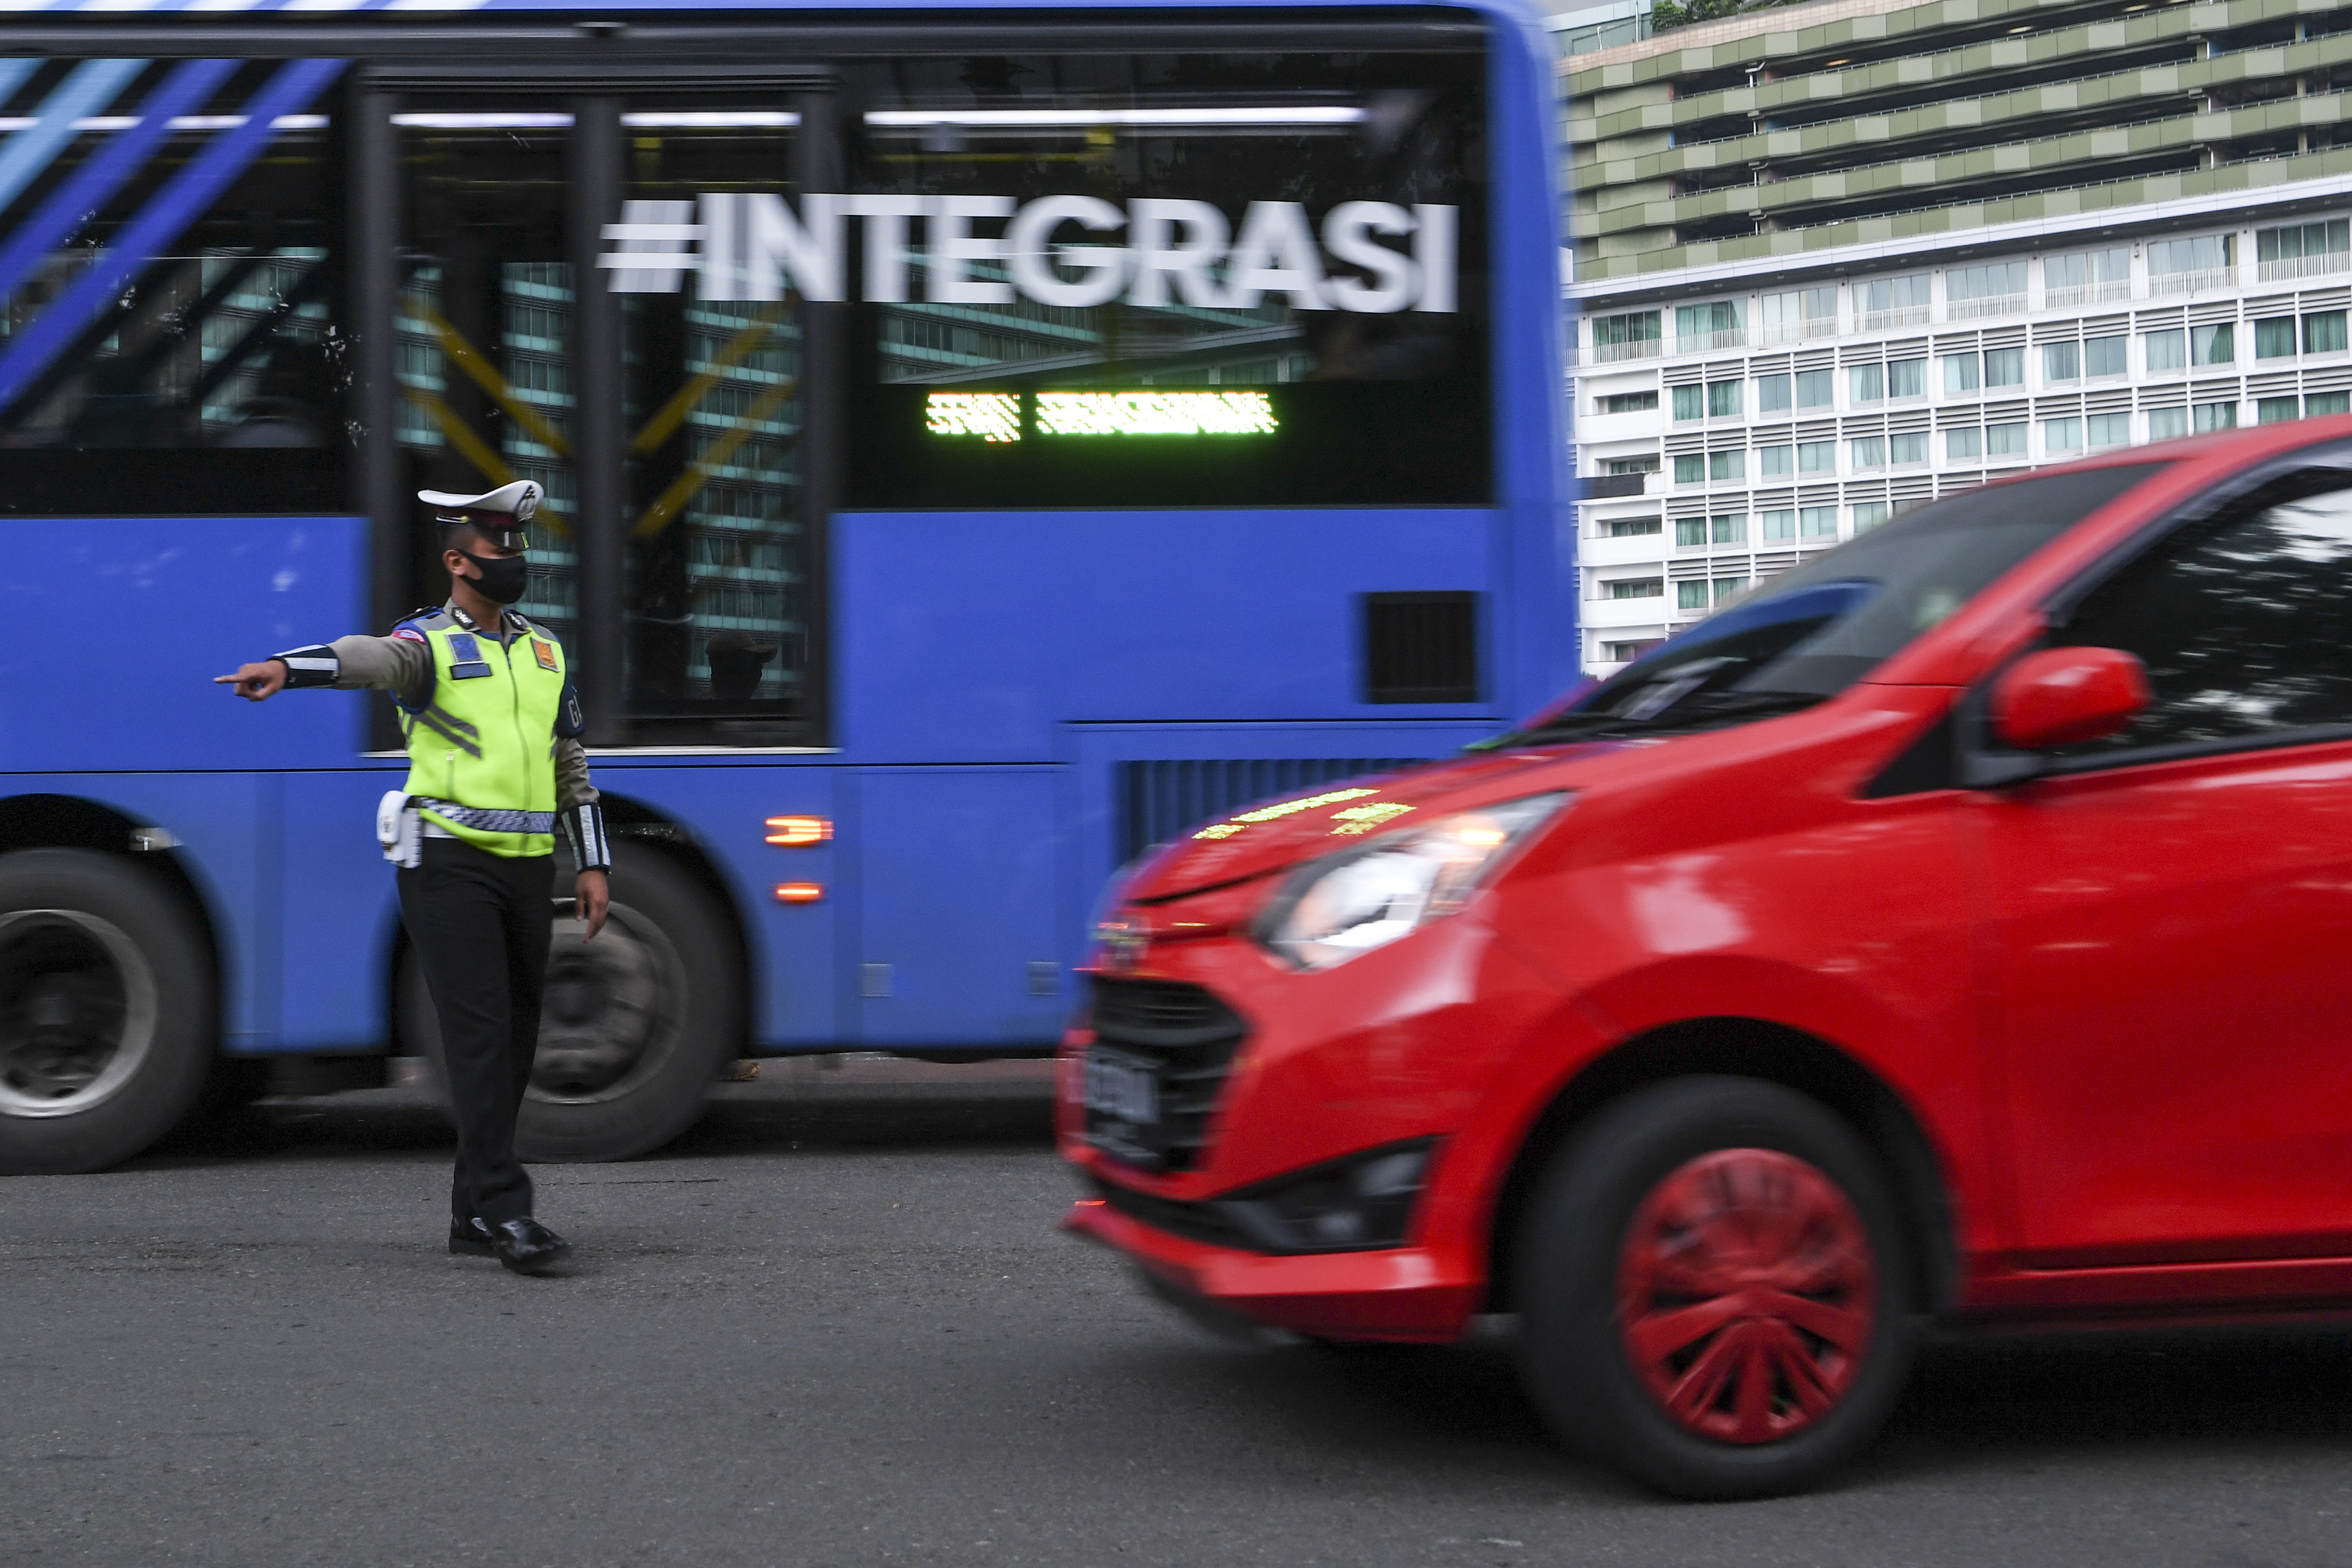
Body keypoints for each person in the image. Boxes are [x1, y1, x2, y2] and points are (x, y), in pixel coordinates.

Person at [215, 480, 611, 1276]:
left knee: (516, 1044)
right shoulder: (427, 646)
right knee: (480, 1038)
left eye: (519, 544)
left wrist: (594, 859)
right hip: (448, 864)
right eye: (500, 547)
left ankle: (471, 1211)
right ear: (458, 561)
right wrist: (289, 669)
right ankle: (508, 1212)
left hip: (531, 869)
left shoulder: (545, 651)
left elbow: (571, 763)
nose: (515, 559)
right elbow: (367, 658)